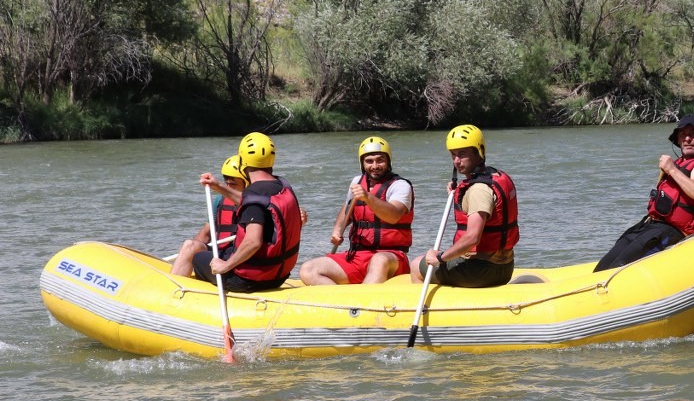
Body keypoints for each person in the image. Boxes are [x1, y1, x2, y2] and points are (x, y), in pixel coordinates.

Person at [595, 114, 694, 271]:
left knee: (619, 268)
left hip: (672, 231)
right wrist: (672, 168)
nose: (687, 139)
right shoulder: (678, 164)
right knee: (604, 266)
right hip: (649, 226)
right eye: (683, 134)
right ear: (678, 140)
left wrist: (671, 169)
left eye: (693, 134)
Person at [193, 132, 304, 293]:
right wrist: (218, 186)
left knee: (198, 258)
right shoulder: (280, 186)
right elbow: (253, 203)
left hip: (250, 280)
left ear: (242, 162)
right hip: (280, 275)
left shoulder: (255, 195)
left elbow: (253, 242)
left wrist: (225, 266)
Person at [410, 124, 518, 288]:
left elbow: (472, 238)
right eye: (453, 155)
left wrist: (440, 257)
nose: (456, 161)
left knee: (416, 265)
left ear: (479, 152)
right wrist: (458, 191)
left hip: (480, 270)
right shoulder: (496, 176)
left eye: (462, 154)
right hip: (505, 267)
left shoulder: (478, 191)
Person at [299, 136, 414, 285]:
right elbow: (348, 208)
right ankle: (343, 300)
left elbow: (394, 215)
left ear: (388, 161)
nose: (375, 166)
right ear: (362, 163)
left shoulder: (400, 186)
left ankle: (365, 298)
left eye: (380, 160)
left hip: (392, 257)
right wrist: (337, 229)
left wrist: (368, 197)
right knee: (308, 270)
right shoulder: (357, 182)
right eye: (369, 161)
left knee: (379, 260)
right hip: (357, 256)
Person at [169, 155, 248, 277]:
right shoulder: (220, 200)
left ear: (247, 183)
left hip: (240, 260)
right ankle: (174, 281)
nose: (228, 188)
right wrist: (186, 252)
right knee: (190, 245)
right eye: (226, 183)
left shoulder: (256, 205)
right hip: (220, 255)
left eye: (233, 184)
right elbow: (206, 233)